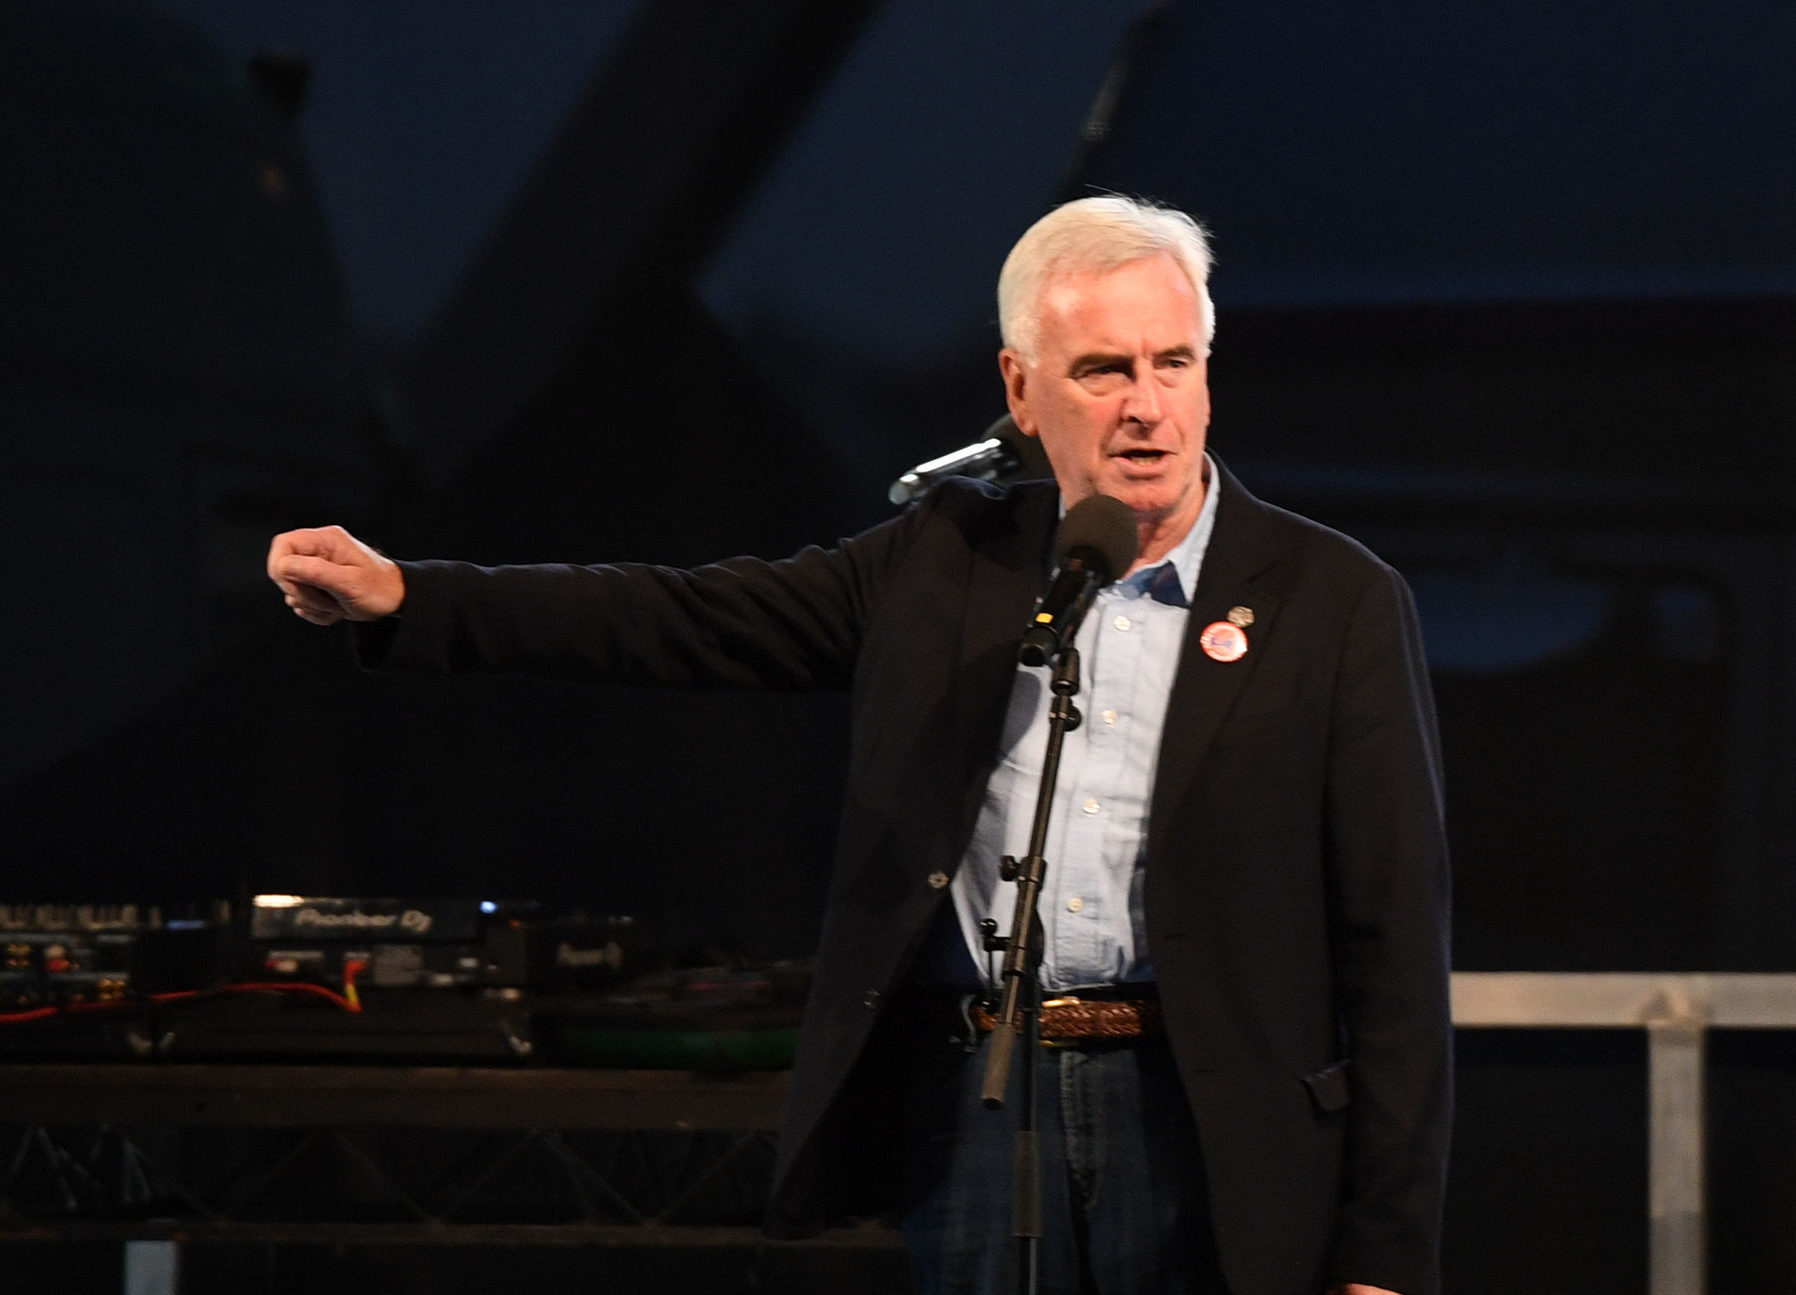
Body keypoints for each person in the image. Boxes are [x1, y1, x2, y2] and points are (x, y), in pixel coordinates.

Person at [268, 195, 1451, 1295]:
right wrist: (412, 598)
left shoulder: (1331, 597)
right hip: (983, 1100)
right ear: (1020, 388)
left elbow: (1393, 952)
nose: (1146, 405)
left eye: (1172, 363)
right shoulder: (949, 561)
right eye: (1102, 370)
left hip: (1208, 1115)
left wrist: (1384, 1250)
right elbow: (678, 616)